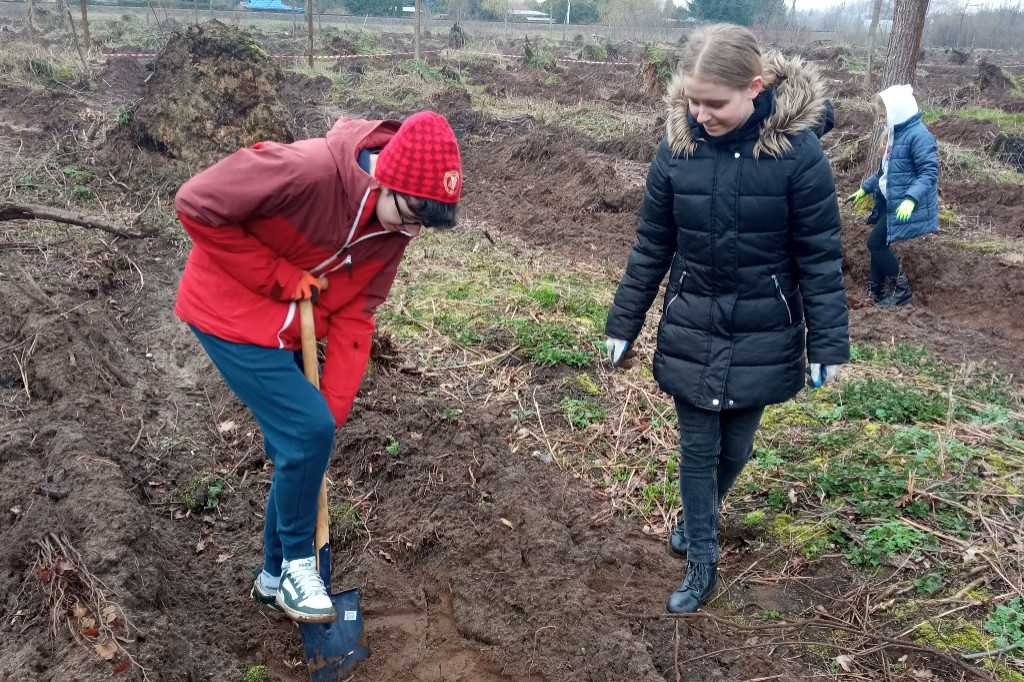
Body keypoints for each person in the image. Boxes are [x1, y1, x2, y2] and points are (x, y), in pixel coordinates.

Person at [173, 111, 462, 624]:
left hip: (285, 327)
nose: (413, 233)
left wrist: (332, 407)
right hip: (227, 313)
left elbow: (358, 314)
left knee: (305, 438)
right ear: (385, 180)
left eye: (424, 225)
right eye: (411, 215)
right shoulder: (306, 172)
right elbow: (195, 203)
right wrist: (277, 275)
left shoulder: (394, 232)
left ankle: (271, 577)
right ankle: (297, 568)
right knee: (305, 433)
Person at [604, 24, 849, 614]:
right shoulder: (676, 150)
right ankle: (702, 562)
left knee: (735, 446)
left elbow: (820, 256)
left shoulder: (798, 156)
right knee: (697, 448)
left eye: (715, 103)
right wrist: (622, 323)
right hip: (693, 321)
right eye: (693, 100)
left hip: (766, 327)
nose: (700, 114)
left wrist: (828, 344)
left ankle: (698, 519)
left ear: (754, 88)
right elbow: (651, 246)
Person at [848, 84, 939, 307]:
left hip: (904, 204)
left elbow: (929, 172)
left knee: (875, 243)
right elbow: (885, 171)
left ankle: (902, 290)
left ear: (896, 113)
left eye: (882, 116)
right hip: (891, 201)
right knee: (878, 243)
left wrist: (910, 199)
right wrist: (865, 188)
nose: (880, 121)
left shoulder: (919, 136)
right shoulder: (894, 134)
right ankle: (876, 290)